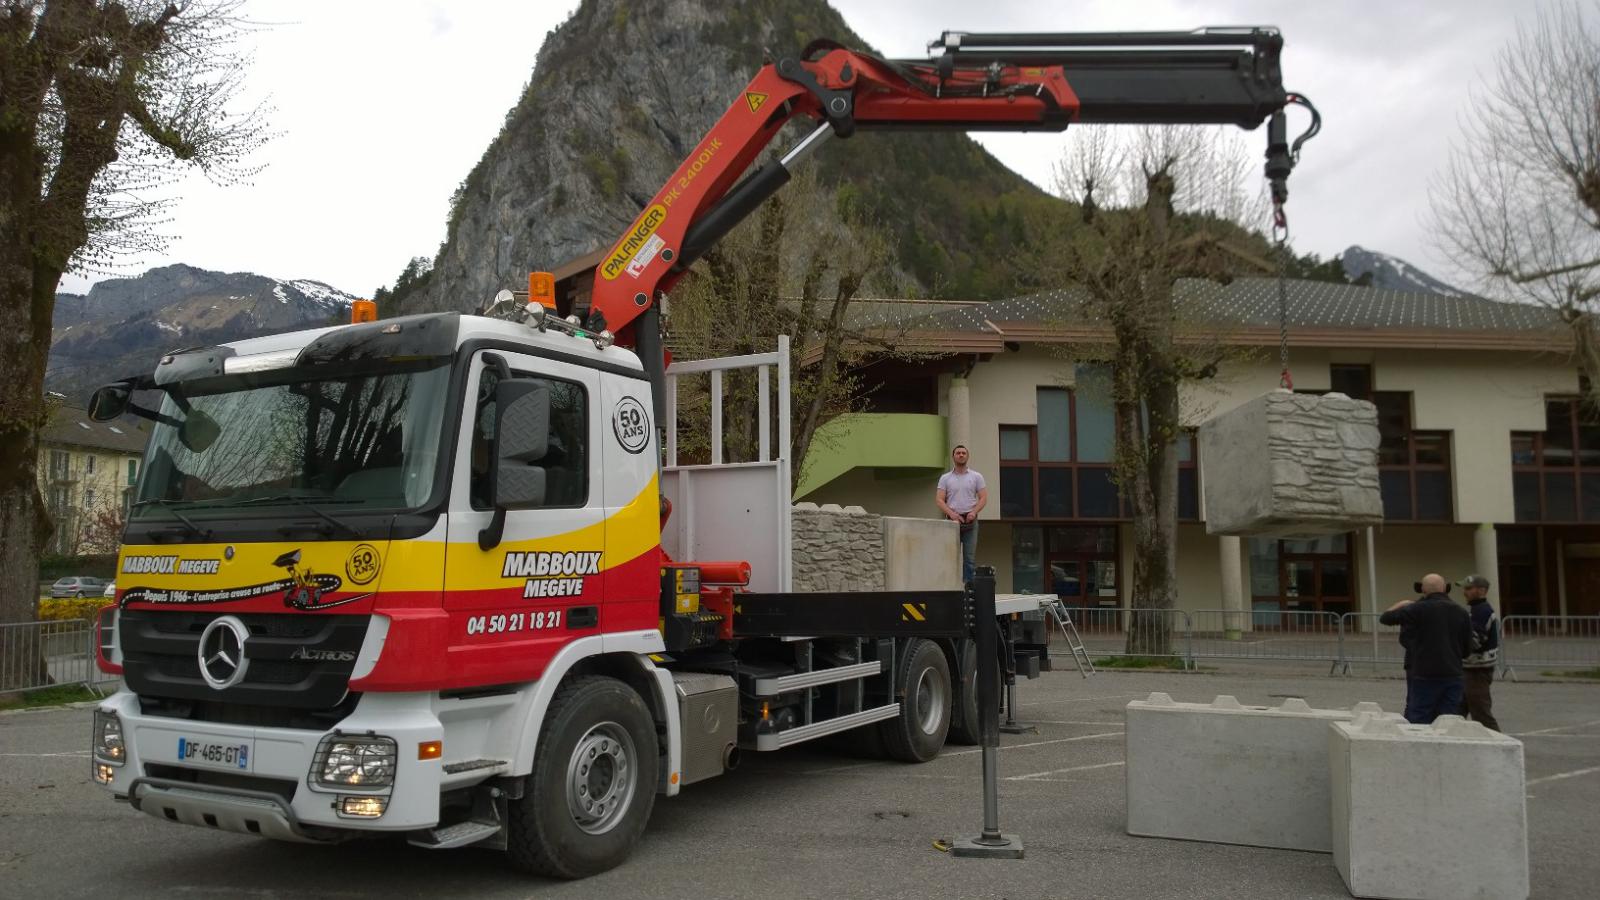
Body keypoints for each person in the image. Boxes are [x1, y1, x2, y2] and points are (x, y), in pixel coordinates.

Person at [1379, 573, 1473, 724]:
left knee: (1419, 718)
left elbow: (1386, 618)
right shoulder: (1461, 612)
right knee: (1449, 720)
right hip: (1452, 672)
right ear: (1444, 588)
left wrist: (1403, 603)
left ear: (1423, 589)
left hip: (1424, 672)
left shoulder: (1416, 609)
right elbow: (1468, 648)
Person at [935, 445, 987, 584]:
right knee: (950, 556)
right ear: (953, 456)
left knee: (969, 558)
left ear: (967, 456)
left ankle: (967, 587)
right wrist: (952, 514)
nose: (961, 455)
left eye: (964, 453)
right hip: (953, 521)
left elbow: (983, 498)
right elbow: (939, 500)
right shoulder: (945, 478)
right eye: (958, 453)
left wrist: (974, 512)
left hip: (971, 521)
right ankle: (950, 586)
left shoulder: (976, 476)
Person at [1458, 573, 1502, 731]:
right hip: (1469, 668)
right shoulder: (1475, 610)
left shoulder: (1481, 611)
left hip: (1477, 670)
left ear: (1482, 591)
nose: (1465, 592)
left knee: (1480, 712)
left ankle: (1498, 744)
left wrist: (1454, 645)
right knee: (1457, 710)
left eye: (1469, 588)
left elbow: (1475, 641)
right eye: (1464, 588)